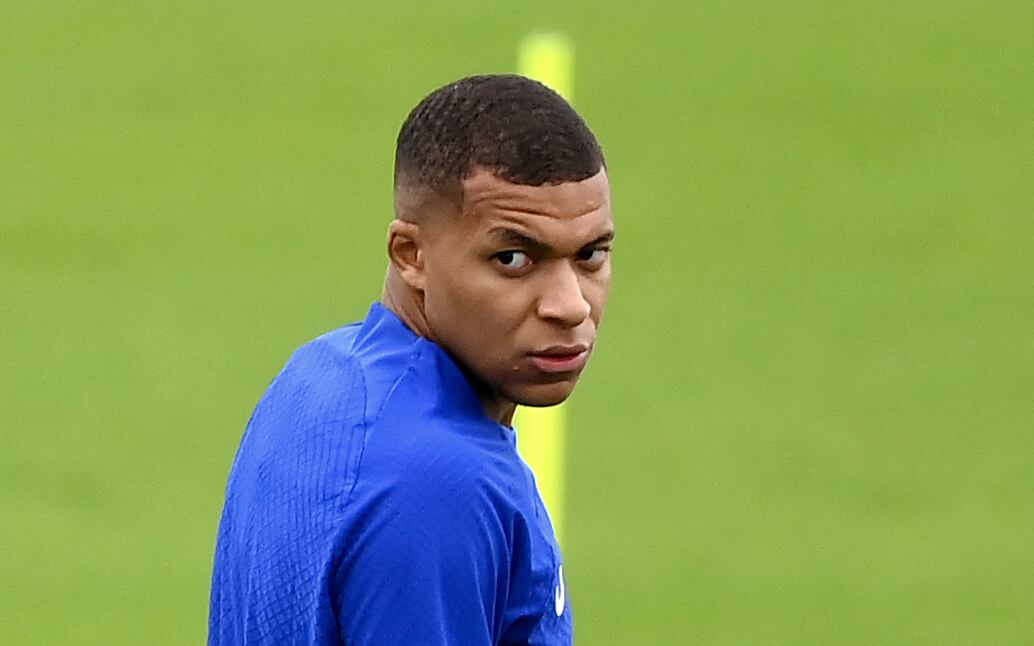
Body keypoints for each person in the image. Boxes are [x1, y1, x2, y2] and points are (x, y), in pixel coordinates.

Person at [208, 74, 613, 645]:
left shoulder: (317, 375)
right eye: (512, 258)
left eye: (591, 254)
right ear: (411, 255)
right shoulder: (440, 485)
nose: (570, 306)